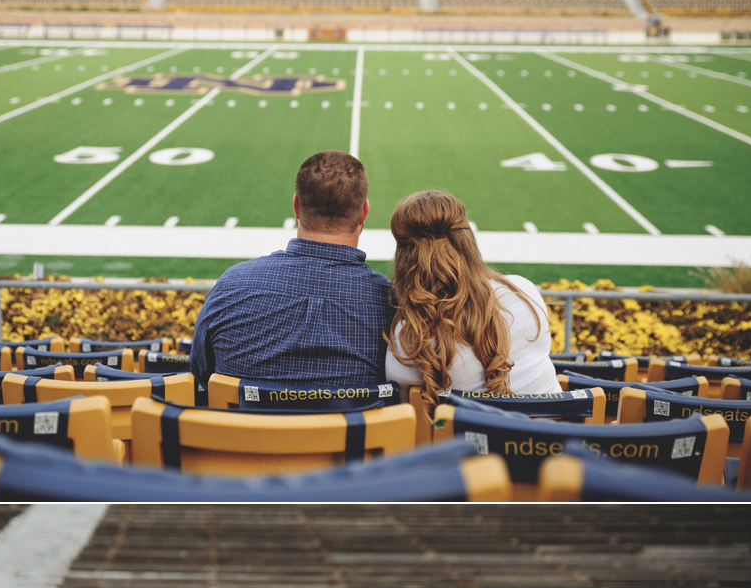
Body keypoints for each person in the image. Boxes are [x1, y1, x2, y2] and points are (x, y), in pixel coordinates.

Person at [189, 151, 392, 394]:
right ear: (364, 212)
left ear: (296, 206)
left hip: (248, 431)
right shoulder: (393, 305)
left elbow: (201, 377)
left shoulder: (231, 286)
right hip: (349, 432)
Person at [385, 191, 560, 411]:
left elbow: (409, 414)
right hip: (554, 441)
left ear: (402, 257)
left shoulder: (408, 337)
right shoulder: (525, 292)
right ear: (467, 240)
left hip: (472, 445)